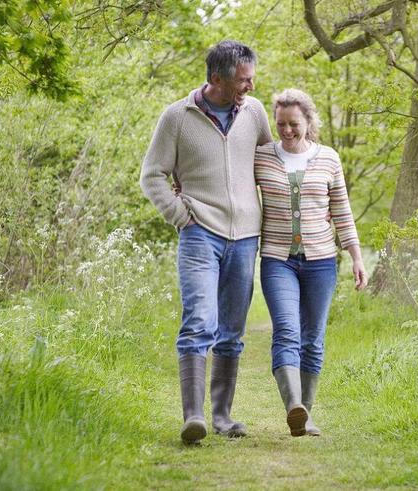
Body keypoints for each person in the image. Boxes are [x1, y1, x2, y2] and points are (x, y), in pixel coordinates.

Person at [140, 40, 272, 444]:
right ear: (217, 78)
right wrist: (180, 215)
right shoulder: (177, 117)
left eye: (251, 78)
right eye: (242, 80)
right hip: (199, 233)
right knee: (199, 320)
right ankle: (193, 416)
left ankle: (223, 417)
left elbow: (270, 161)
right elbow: (151, 175)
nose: (250, 86)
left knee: (231, 330)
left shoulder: (255, 112)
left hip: (245, 236)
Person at [254, 88, 368, 437]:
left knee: (313, 339)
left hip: (321, 262)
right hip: (278, 260)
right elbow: (228, 182)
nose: (287, 131)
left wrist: (356, 256)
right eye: (281, 124)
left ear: (309, 122)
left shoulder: (329, 159)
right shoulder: (261, 157)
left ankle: (307, 415)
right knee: (287, 331)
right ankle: (294, 406)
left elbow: (342, 212)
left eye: (294, 124)